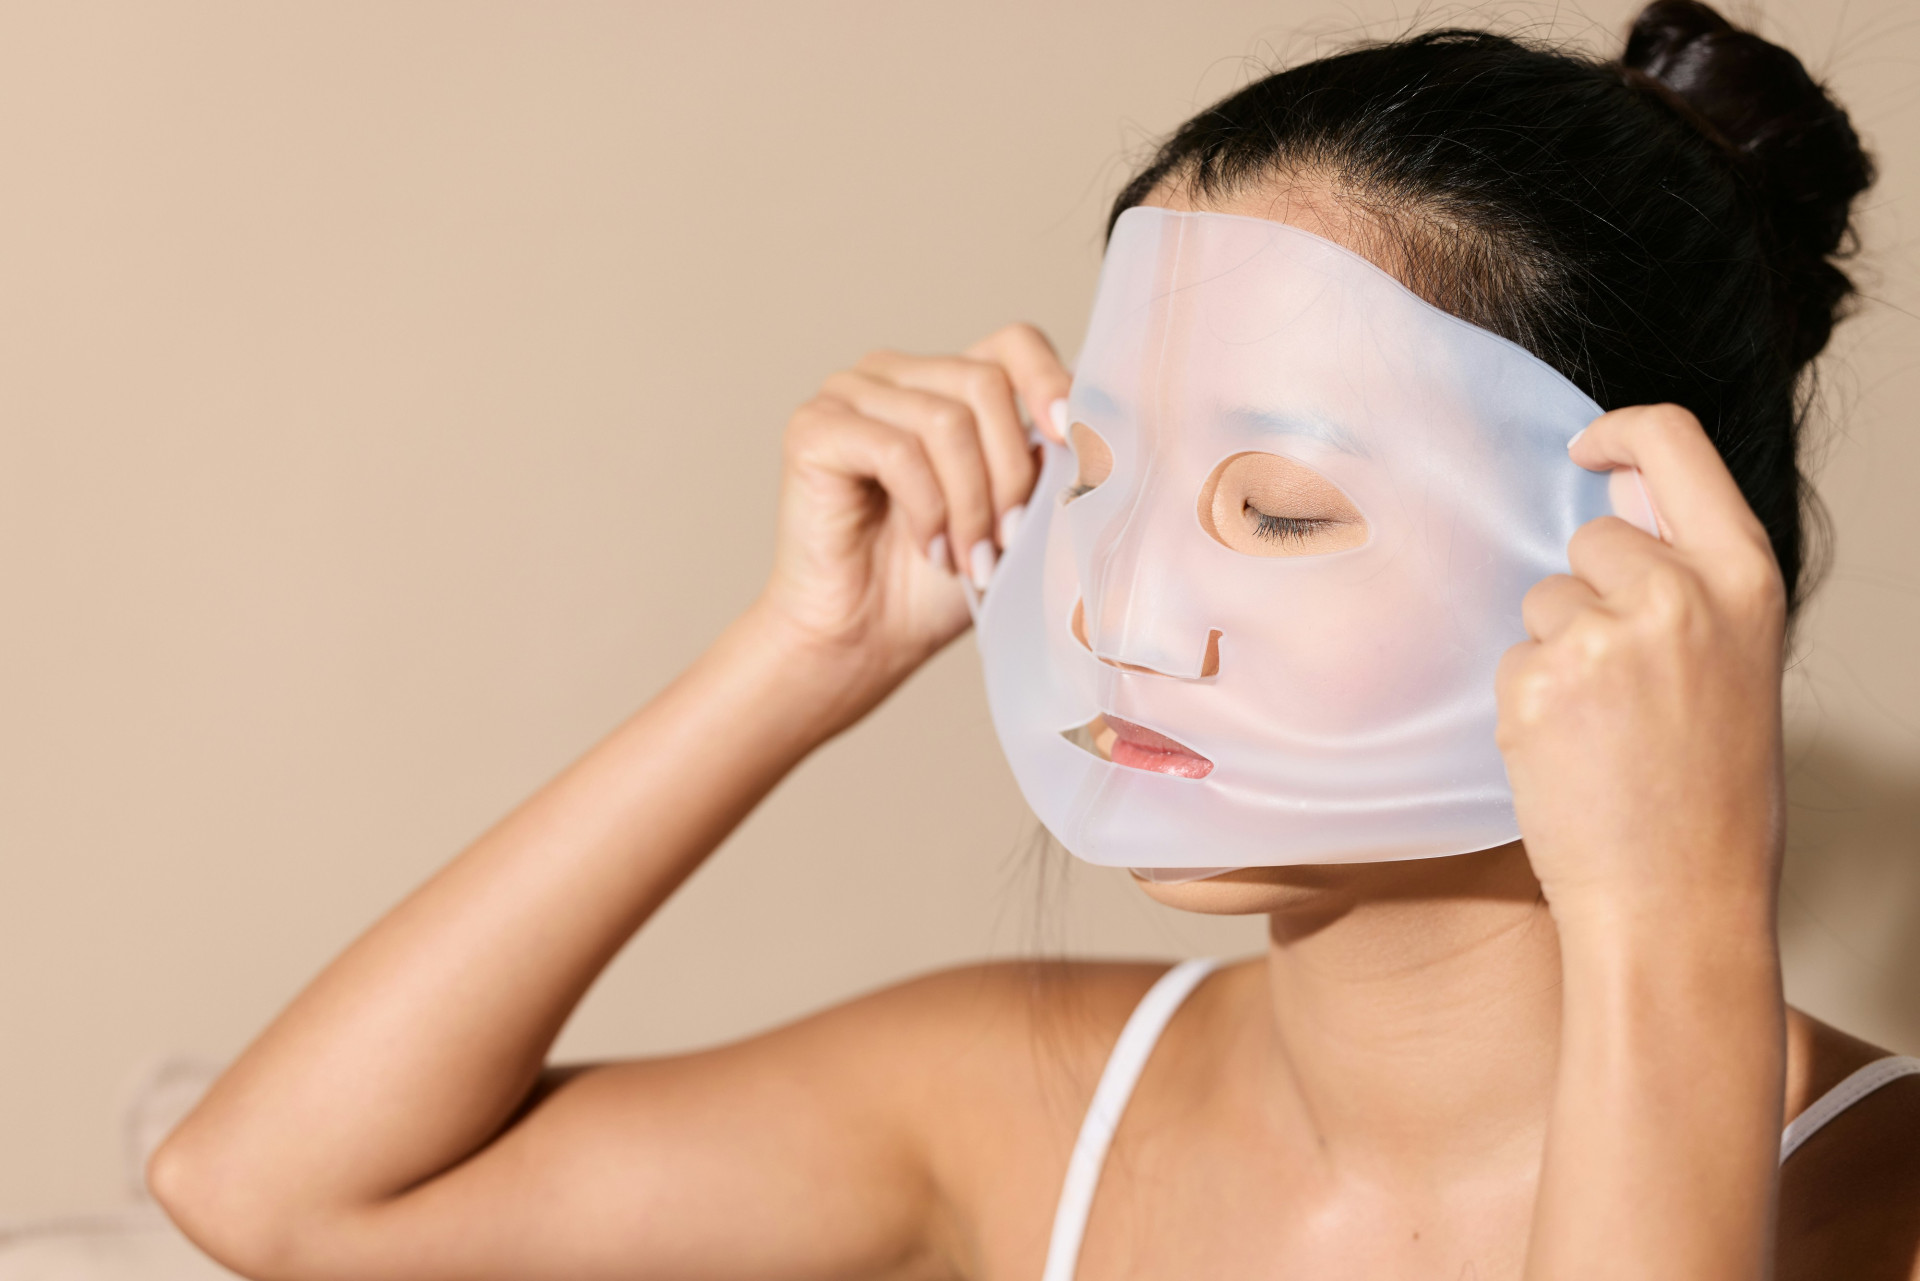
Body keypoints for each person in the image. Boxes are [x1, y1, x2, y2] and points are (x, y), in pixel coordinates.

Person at [149, 3, 1918, 1278]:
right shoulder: (1034, 1099)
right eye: (1103, 479)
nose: (1122, 609)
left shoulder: (1881, 1199)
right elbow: (277, 1188)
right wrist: (804, 652)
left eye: (1277, 510)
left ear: (1645, 555)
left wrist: (1681, 911)